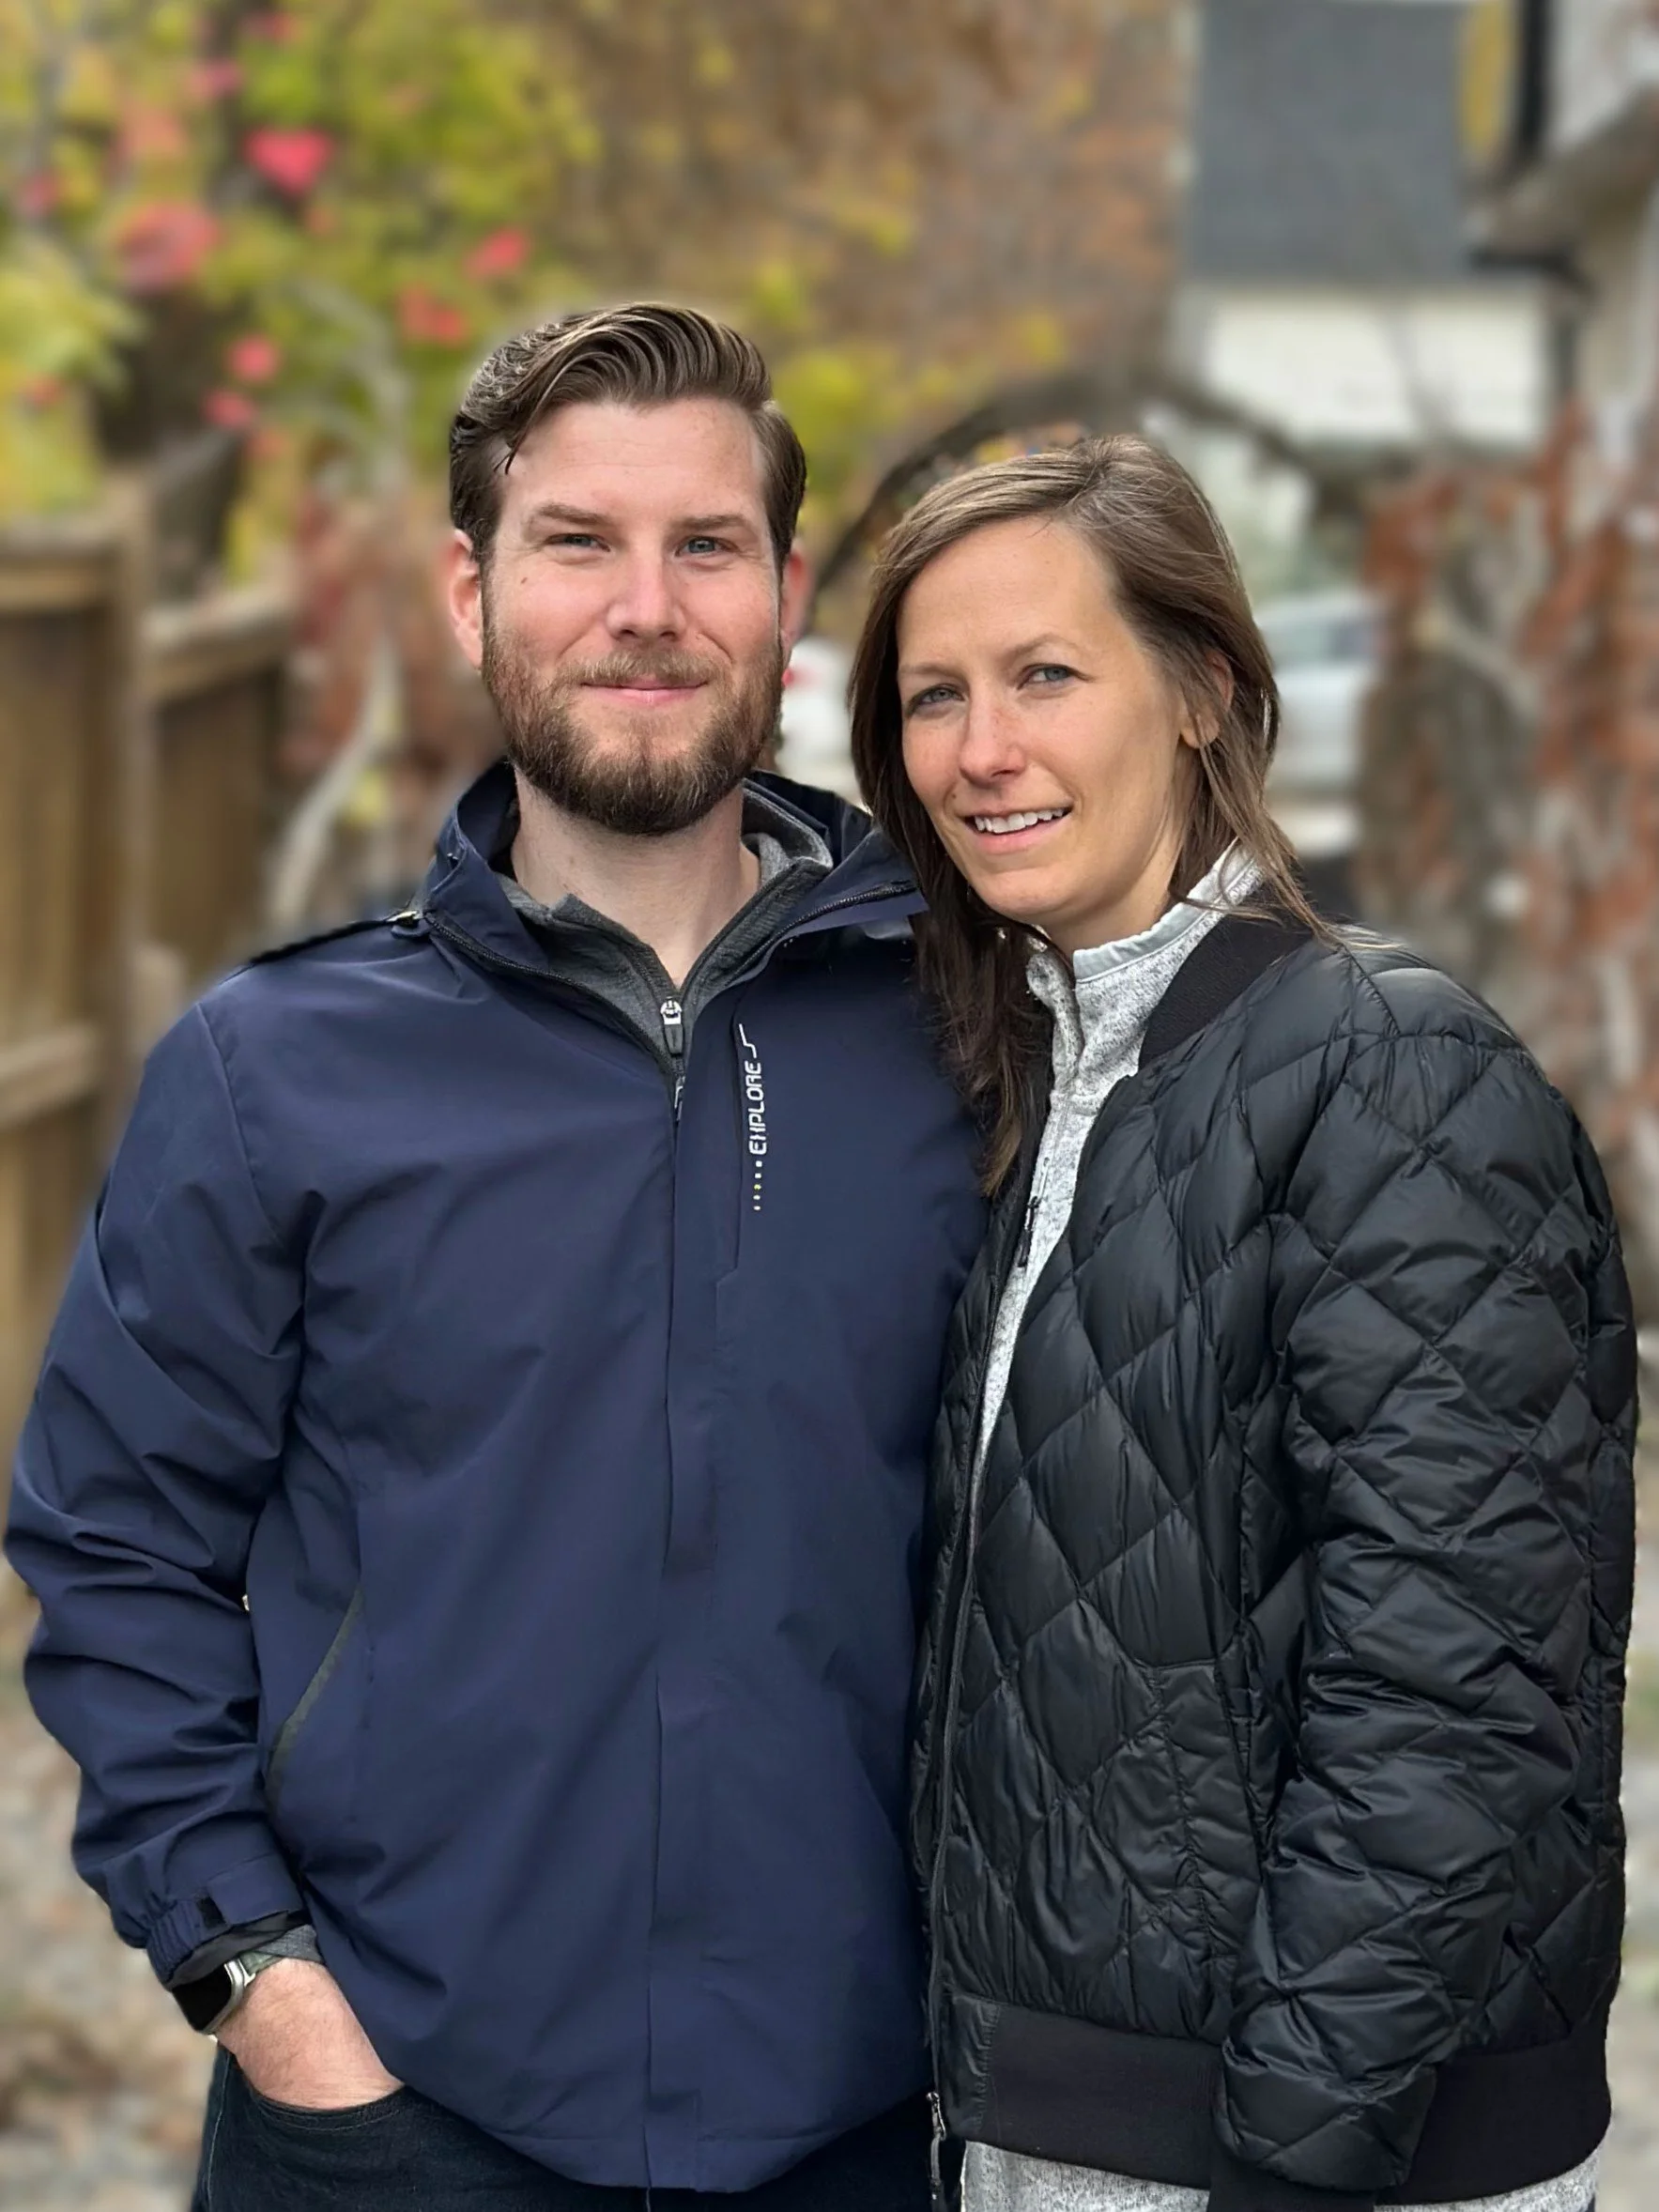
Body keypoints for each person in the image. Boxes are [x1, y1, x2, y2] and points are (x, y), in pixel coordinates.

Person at [6, 303, 986, 2211]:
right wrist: (268, 1994)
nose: (646, 607)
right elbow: (115, 1553)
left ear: (786, 596)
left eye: (706, 545)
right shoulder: (274, 1070)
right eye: (575, 542)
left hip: (866, 2127)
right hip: (394, 2125)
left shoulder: (963, 1042)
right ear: (472, 593)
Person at [847, 437, 1637, 2212]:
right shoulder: (1034, 1076)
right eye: (932, 696)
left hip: (1298, 2156)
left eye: (1047, 675)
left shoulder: (1389, 1068)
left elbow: (1451, 1691)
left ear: (1203, 690)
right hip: (1049, 2131)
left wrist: (1292, 2155)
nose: (981, 749)